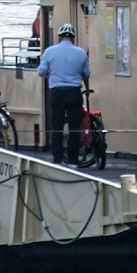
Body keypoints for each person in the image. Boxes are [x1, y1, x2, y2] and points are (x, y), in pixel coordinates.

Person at [36, 23, 92, 166]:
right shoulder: (81, 53)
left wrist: (53, 77)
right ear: (73, 38)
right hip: (74, 92)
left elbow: (41, 72)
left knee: (57, 127)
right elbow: (86, 74)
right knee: (74, 127)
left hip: (57, 92)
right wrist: (87, 87)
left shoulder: (49, 52)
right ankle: (73, 161)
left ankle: (57, 160)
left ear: (60, 37)